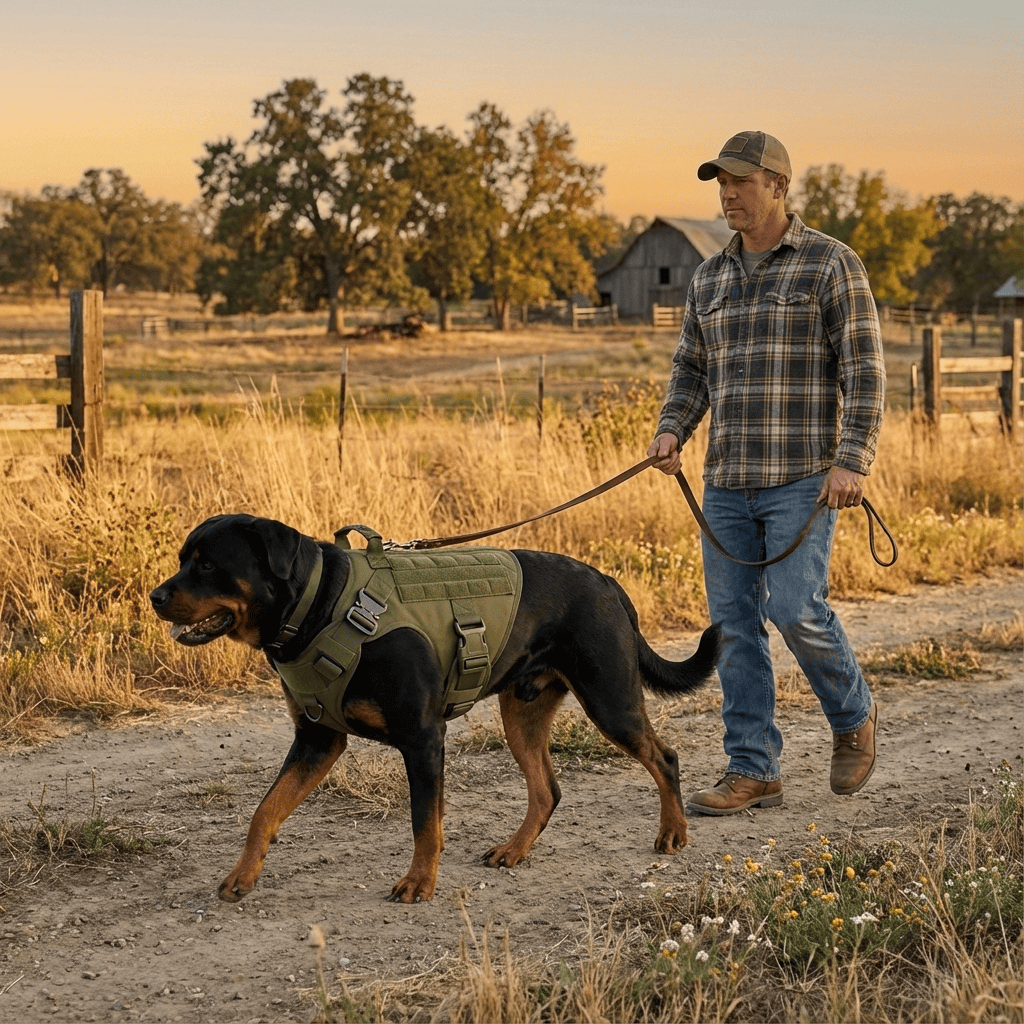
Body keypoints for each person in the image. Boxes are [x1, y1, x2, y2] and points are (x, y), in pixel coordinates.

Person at [647, 130, 885, 815]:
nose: (727, 195)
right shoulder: (709, 276)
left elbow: (866, 373)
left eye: (741, 183)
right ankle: (754, 769)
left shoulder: (830, 265)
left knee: (795, 609)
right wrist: (672, 428)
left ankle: (853, 715)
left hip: (803, 479)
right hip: (727, 483)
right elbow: (691, 370)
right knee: (732, 627)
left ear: (779, 186)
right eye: (720, 183)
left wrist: (852, 461)